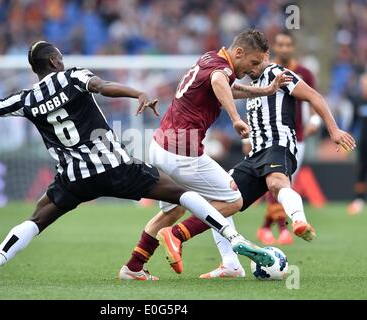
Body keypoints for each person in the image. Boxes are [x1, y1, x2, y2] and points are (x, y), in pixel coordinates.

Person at [0, 41, 275, 286]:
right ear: (54, 62)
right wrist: (136, 93)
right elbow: (102, 86)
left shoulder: (25, 98)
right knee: (182, 195)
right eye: (60, 58)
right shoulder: (74, 77)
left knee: (35, 219)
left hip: (73, 178)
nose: (62, 61)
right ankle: (232, 235)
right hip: (114, 167)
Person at [122, 53, 356, 280]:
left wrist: (333, 129)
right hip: (247, 154)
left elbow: (315, 97)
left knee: (272, 184)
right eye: (250, 64)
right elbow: (229, 90)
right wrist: (245, 133)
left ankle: (297, 220)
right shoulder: (242, 79)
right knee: (224, 199)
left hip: (277, 146)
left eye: (256, 62)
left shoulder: (279, 73)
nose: (251, 69)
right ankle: (227, 262)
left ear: (265, 55)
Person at [119, 29, 292, 280]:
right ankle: (178, 235)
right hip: (182, 152)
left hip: (161, 146)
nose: (253, 69)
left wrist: (265, 91)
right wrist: (235, 118)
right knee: (233, 200)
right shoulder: (222, 70)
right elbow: (219, 82)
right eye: (253, 63)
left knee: (173, 210)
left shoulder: (210, 58)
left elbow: (228, 88)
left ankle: (133, 267)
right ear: (239, 52)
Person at [257, 30, 320, 245]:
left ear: (293, 47)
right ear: (275, 47)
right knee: (281, 184)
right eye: (280, 45)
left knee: (282, 184)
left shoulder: (304, 73)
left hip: (297, 137)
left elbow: (313, 100)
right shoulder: (267, 71)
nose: (284, 49)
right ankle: (282, 228)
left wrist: (315, 121)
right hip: (271, 137)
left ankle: (267, 227)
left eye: (287, 45)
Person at [347, 73, 367, 215]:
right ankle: (359, 200)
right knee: (361, 170)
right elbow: (353, 122)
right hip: (364, 144)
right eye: (363, 85)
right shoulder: (358, 101)